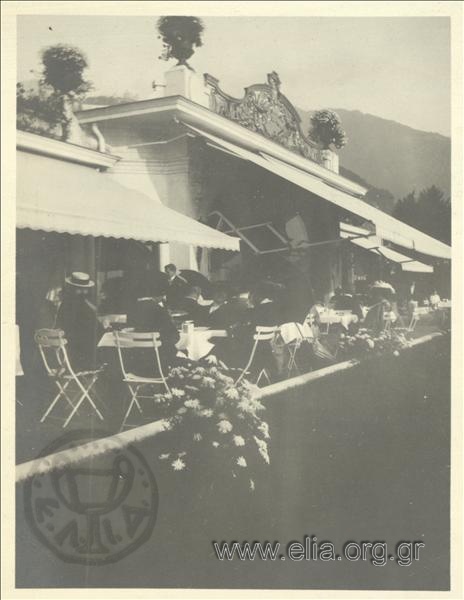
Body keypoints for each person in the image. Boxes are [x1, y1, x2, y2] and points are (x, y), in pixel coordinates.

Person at [126, 281, 181, 373]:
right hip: (160, 364)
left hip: (135, 365)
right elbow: (175, 336)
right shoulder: (159, 309)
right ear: (158, 294)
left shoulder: (131, 310)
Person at [56, 272, 103, 371]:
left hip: (67, 354)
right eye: (80, 289)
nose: (83, 292)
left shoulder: (65, 304)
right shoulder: (83, 306)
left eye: (85, 289)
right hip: (80, 357)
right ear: (72, 289)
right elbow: (95, 329)